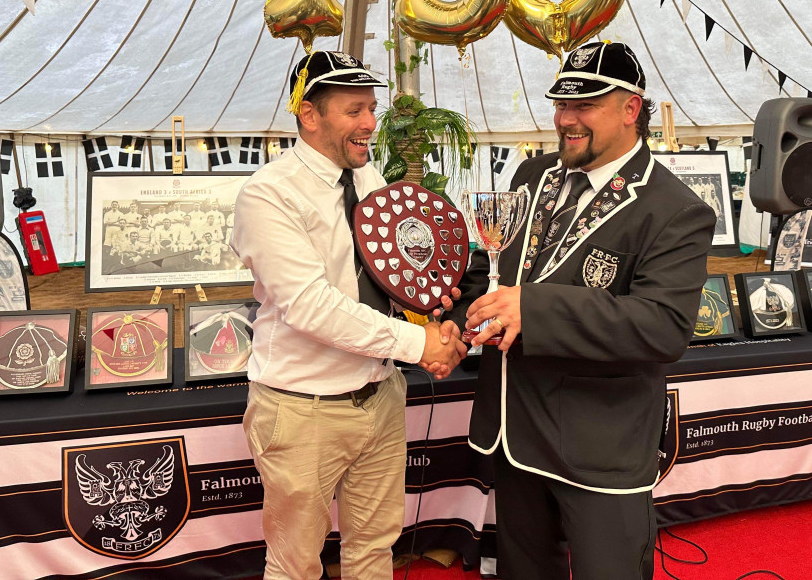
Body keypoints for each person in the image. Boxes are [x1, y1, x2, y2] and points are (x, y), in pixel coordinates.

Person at [449, 42, 716, 580]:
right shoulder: (533, 176)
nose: (566, 120)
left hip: (599, 443)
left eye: (585, 105)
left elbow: (662, 328)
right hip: (515, 426)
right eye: (561, 105)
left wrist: (536, 309)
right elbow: (496, 270)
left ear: (630, 109)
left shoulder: (675, 209)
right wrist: (455, 322)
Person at [229, 49, 466, 580]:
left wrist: (428, 312)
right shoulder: (268, 194)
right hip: (302, 410)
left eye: (371, 109)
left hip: (380, 396)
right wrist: (418, 346)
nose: (369, 124)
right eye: (354, 110)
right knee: (295, 563)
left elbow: (391, 276)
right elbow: (311, 305)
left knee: (374, 550)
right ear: (309, 116)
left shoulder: (369, 178)